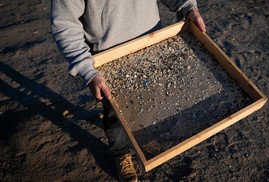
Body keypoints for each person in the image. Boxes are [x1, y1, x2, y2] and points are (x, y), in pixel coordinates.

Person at [51, 1, 205, 181]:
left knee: (150, 98)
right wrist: (88, 70)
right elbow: (65, 23)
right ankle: (121, 153)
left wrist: (188, 7)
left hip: (152, 42)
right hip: (109, 56)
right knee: (116, 115)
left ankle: (143, 134)